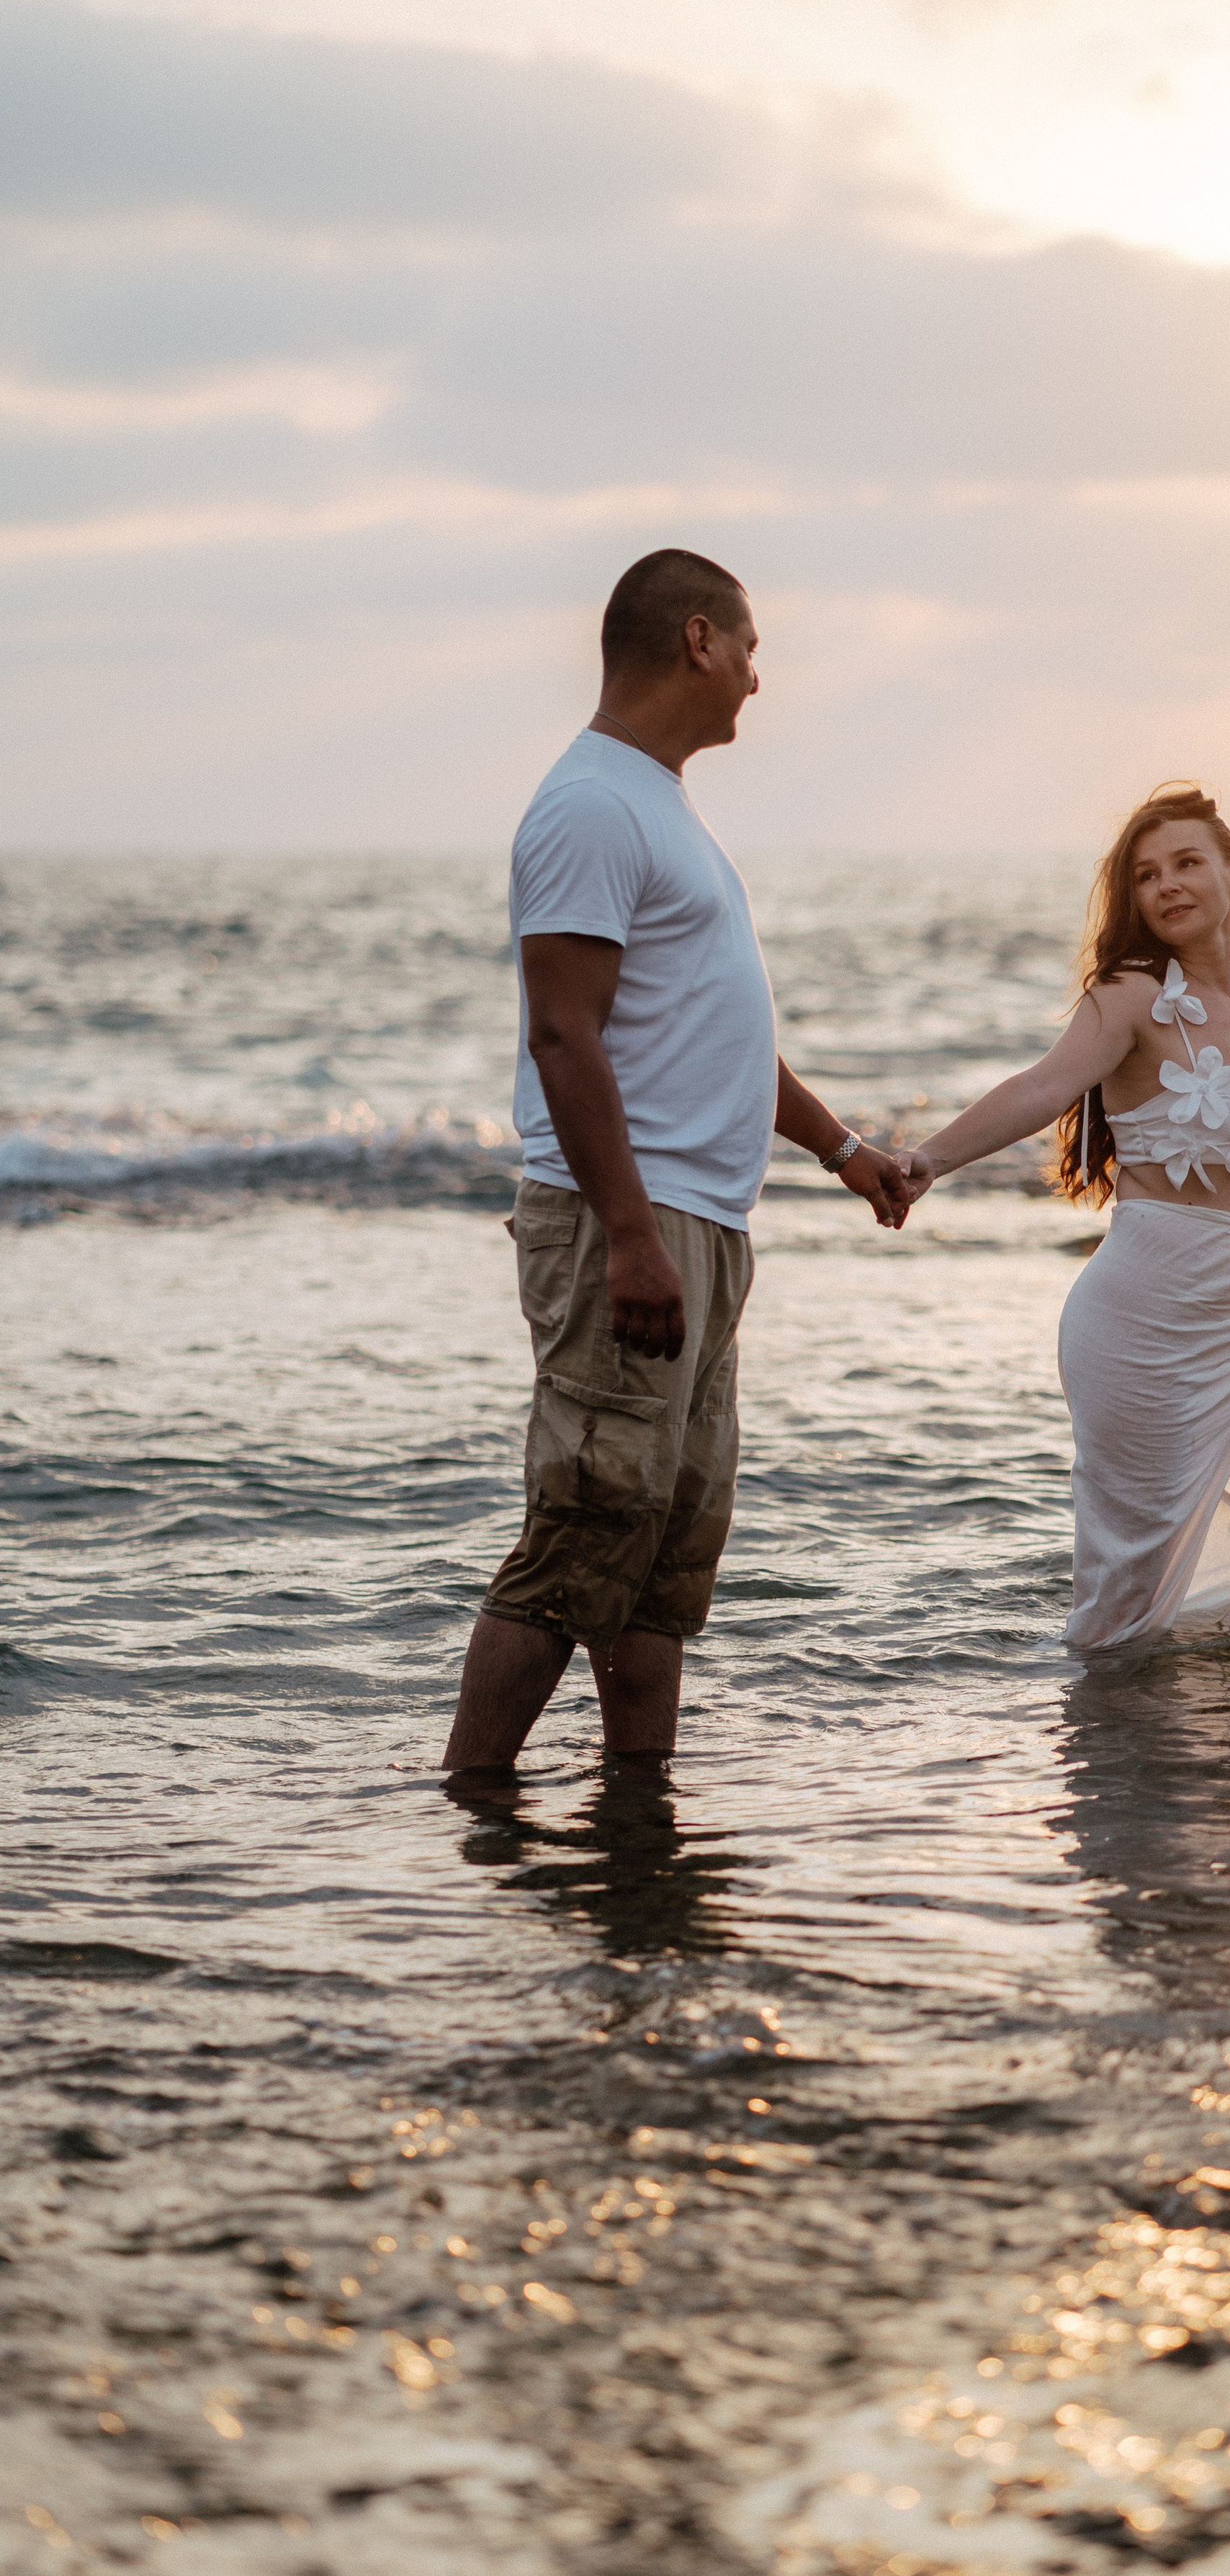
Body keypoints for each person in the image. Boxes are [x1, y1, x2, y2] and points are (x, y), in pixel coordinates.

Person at [443, 548, 910, 1773]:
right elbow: (562, 1032)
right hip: (628, 1225)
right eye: (750, 648)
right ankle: (471, 1814)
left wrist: (845, 1151)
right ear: (698, 639)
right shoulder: (591, 803)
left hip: (701, 1226)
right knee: (579, 1542)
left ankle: (638, 1829)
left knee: (659, 1571)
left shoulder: (656, 804)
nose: (759, 678)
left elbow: (714, 1038)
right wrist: (635, 1234)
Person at [899, 783, 1230, 1650]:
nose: (1167, 885)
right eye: (1145, 875)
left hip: (1229, 1335)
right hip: (1139, 1328)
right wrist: (927, 1159)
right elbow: (1044, 1086)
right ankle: (1114, 1766)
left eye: (1187, 863)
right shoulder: (1132, 995)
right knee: (1122, 1610)